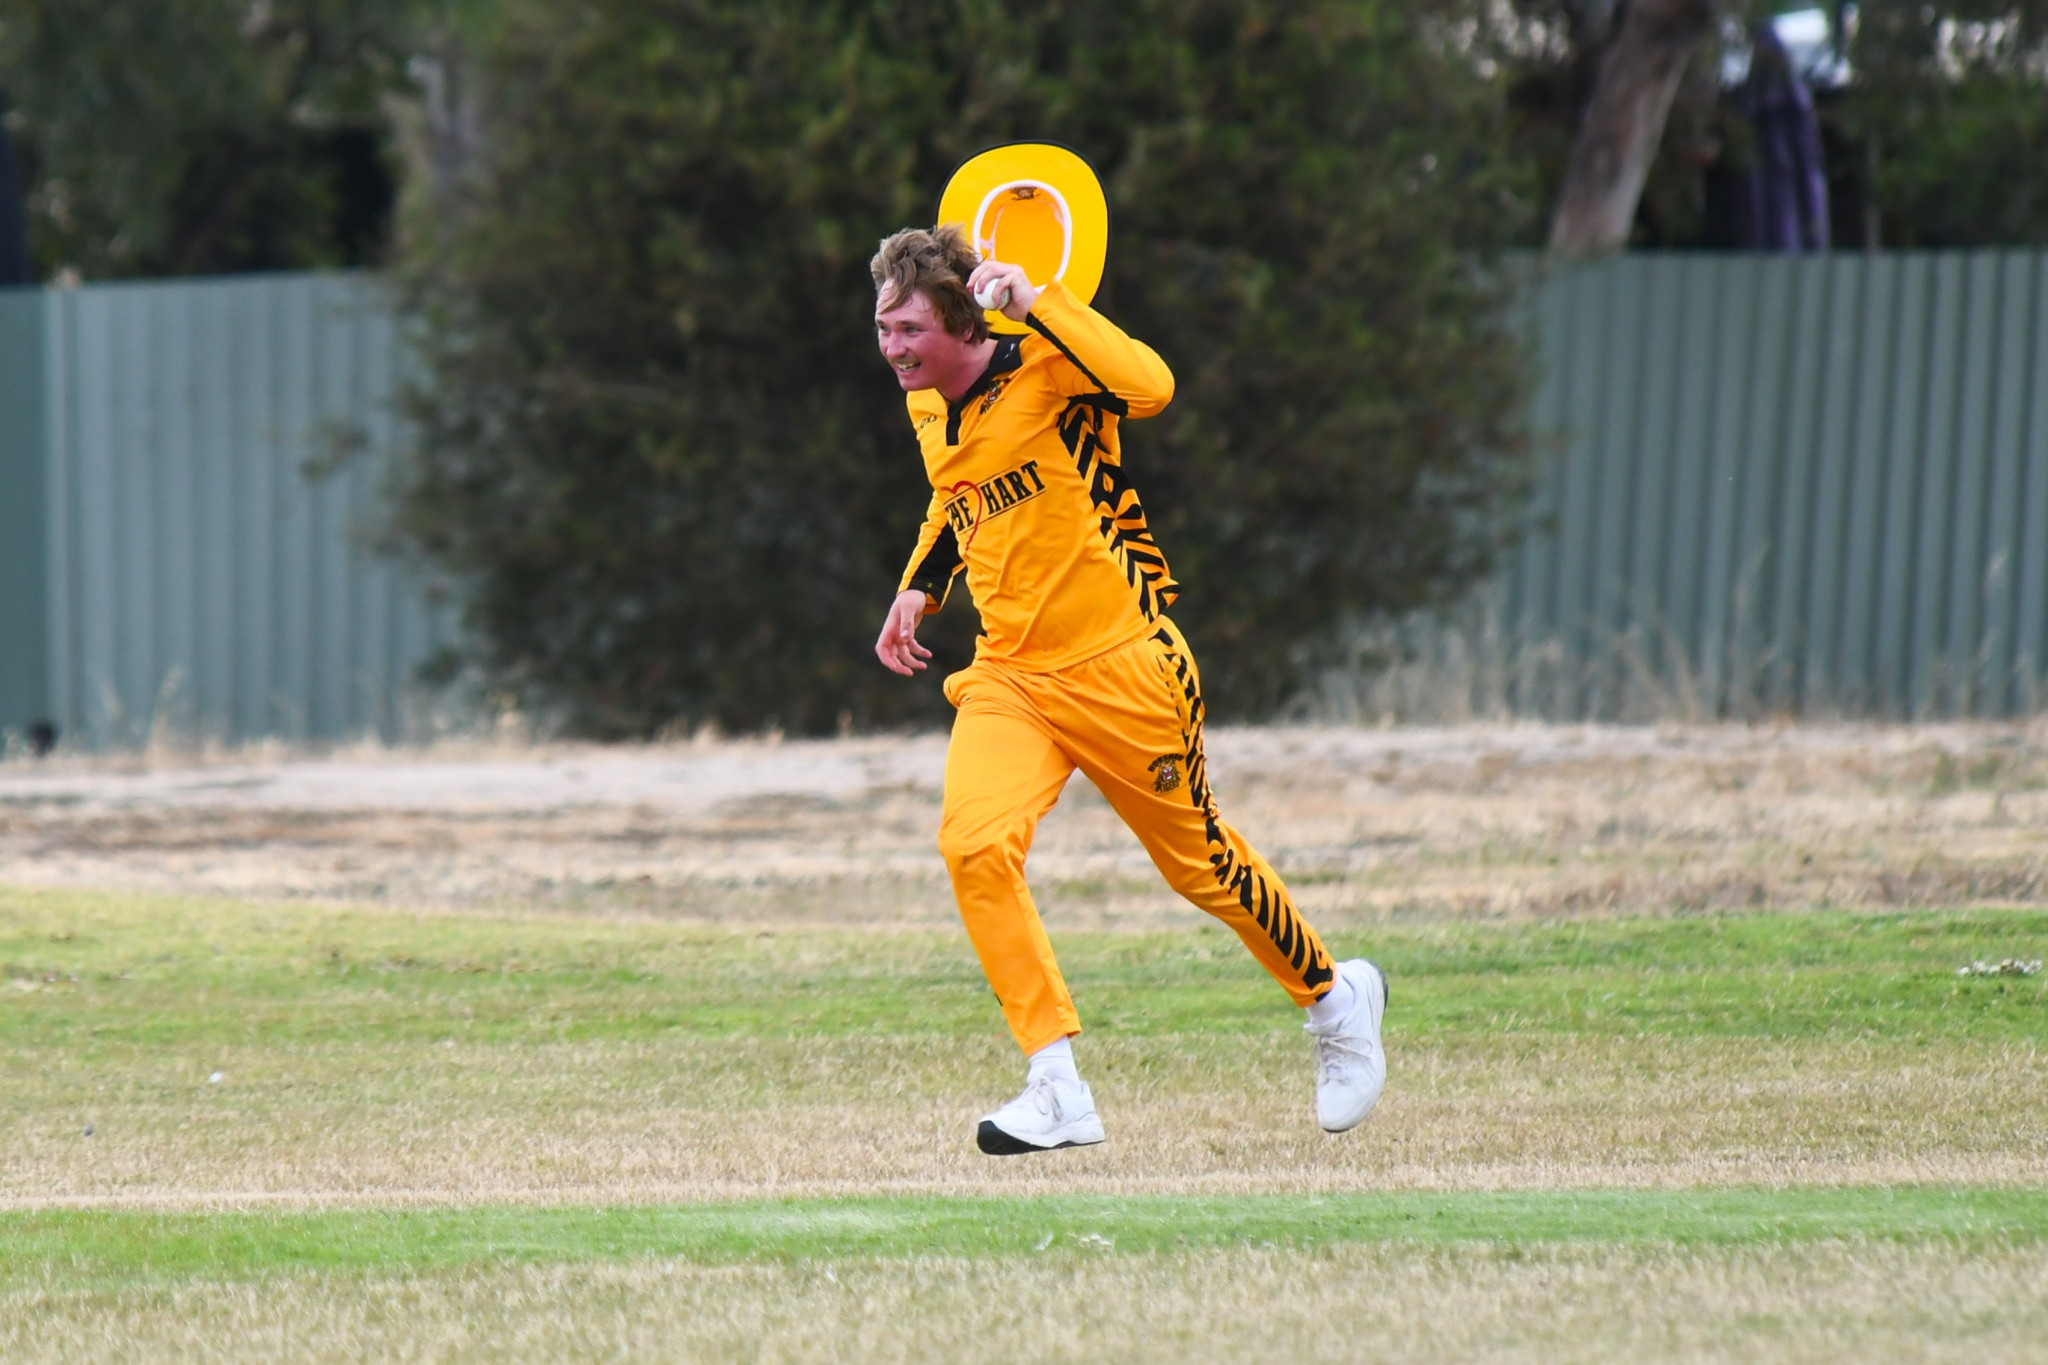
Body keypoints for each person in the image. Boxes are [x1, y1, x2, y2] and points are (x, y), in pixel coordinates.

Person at [870, 221, 1387, 1154]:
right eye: (883, 327)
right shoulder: (926, 407)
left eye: (910, 329)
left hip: (1124, 665)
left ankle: (1336, 999)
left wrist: (1039, 301)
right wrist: (919, 585)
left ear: (963, 322)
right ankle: (1056, 1083)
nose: (892, 346)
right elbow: (956, 495)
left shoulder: (1051, 368)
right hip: (1010, 676)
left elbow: (1152, 385)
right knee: (973, 846)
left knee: (1201, 866)